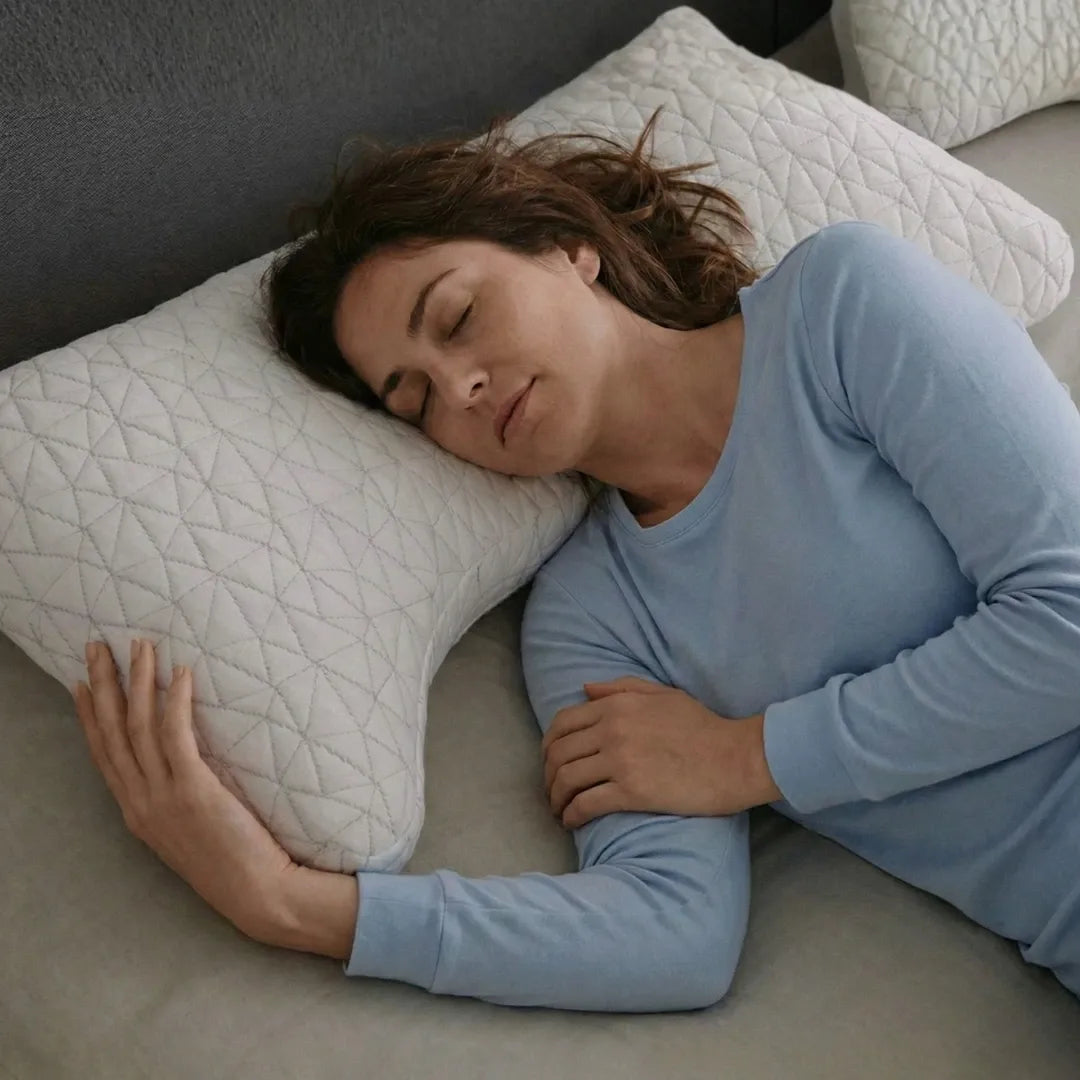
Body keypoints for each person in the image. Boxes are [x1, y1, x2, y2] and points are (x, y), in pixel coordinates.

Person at [72, 107, 1080, 1012]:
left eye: (458, 318)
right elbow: (673, 933)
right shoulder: (593, 617)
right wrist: (287, 903)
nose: (459, 388)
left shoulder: (839, 308)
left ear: (568, 247)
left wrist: (743, 758)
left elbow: (1069, 612)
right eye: (414, 401)